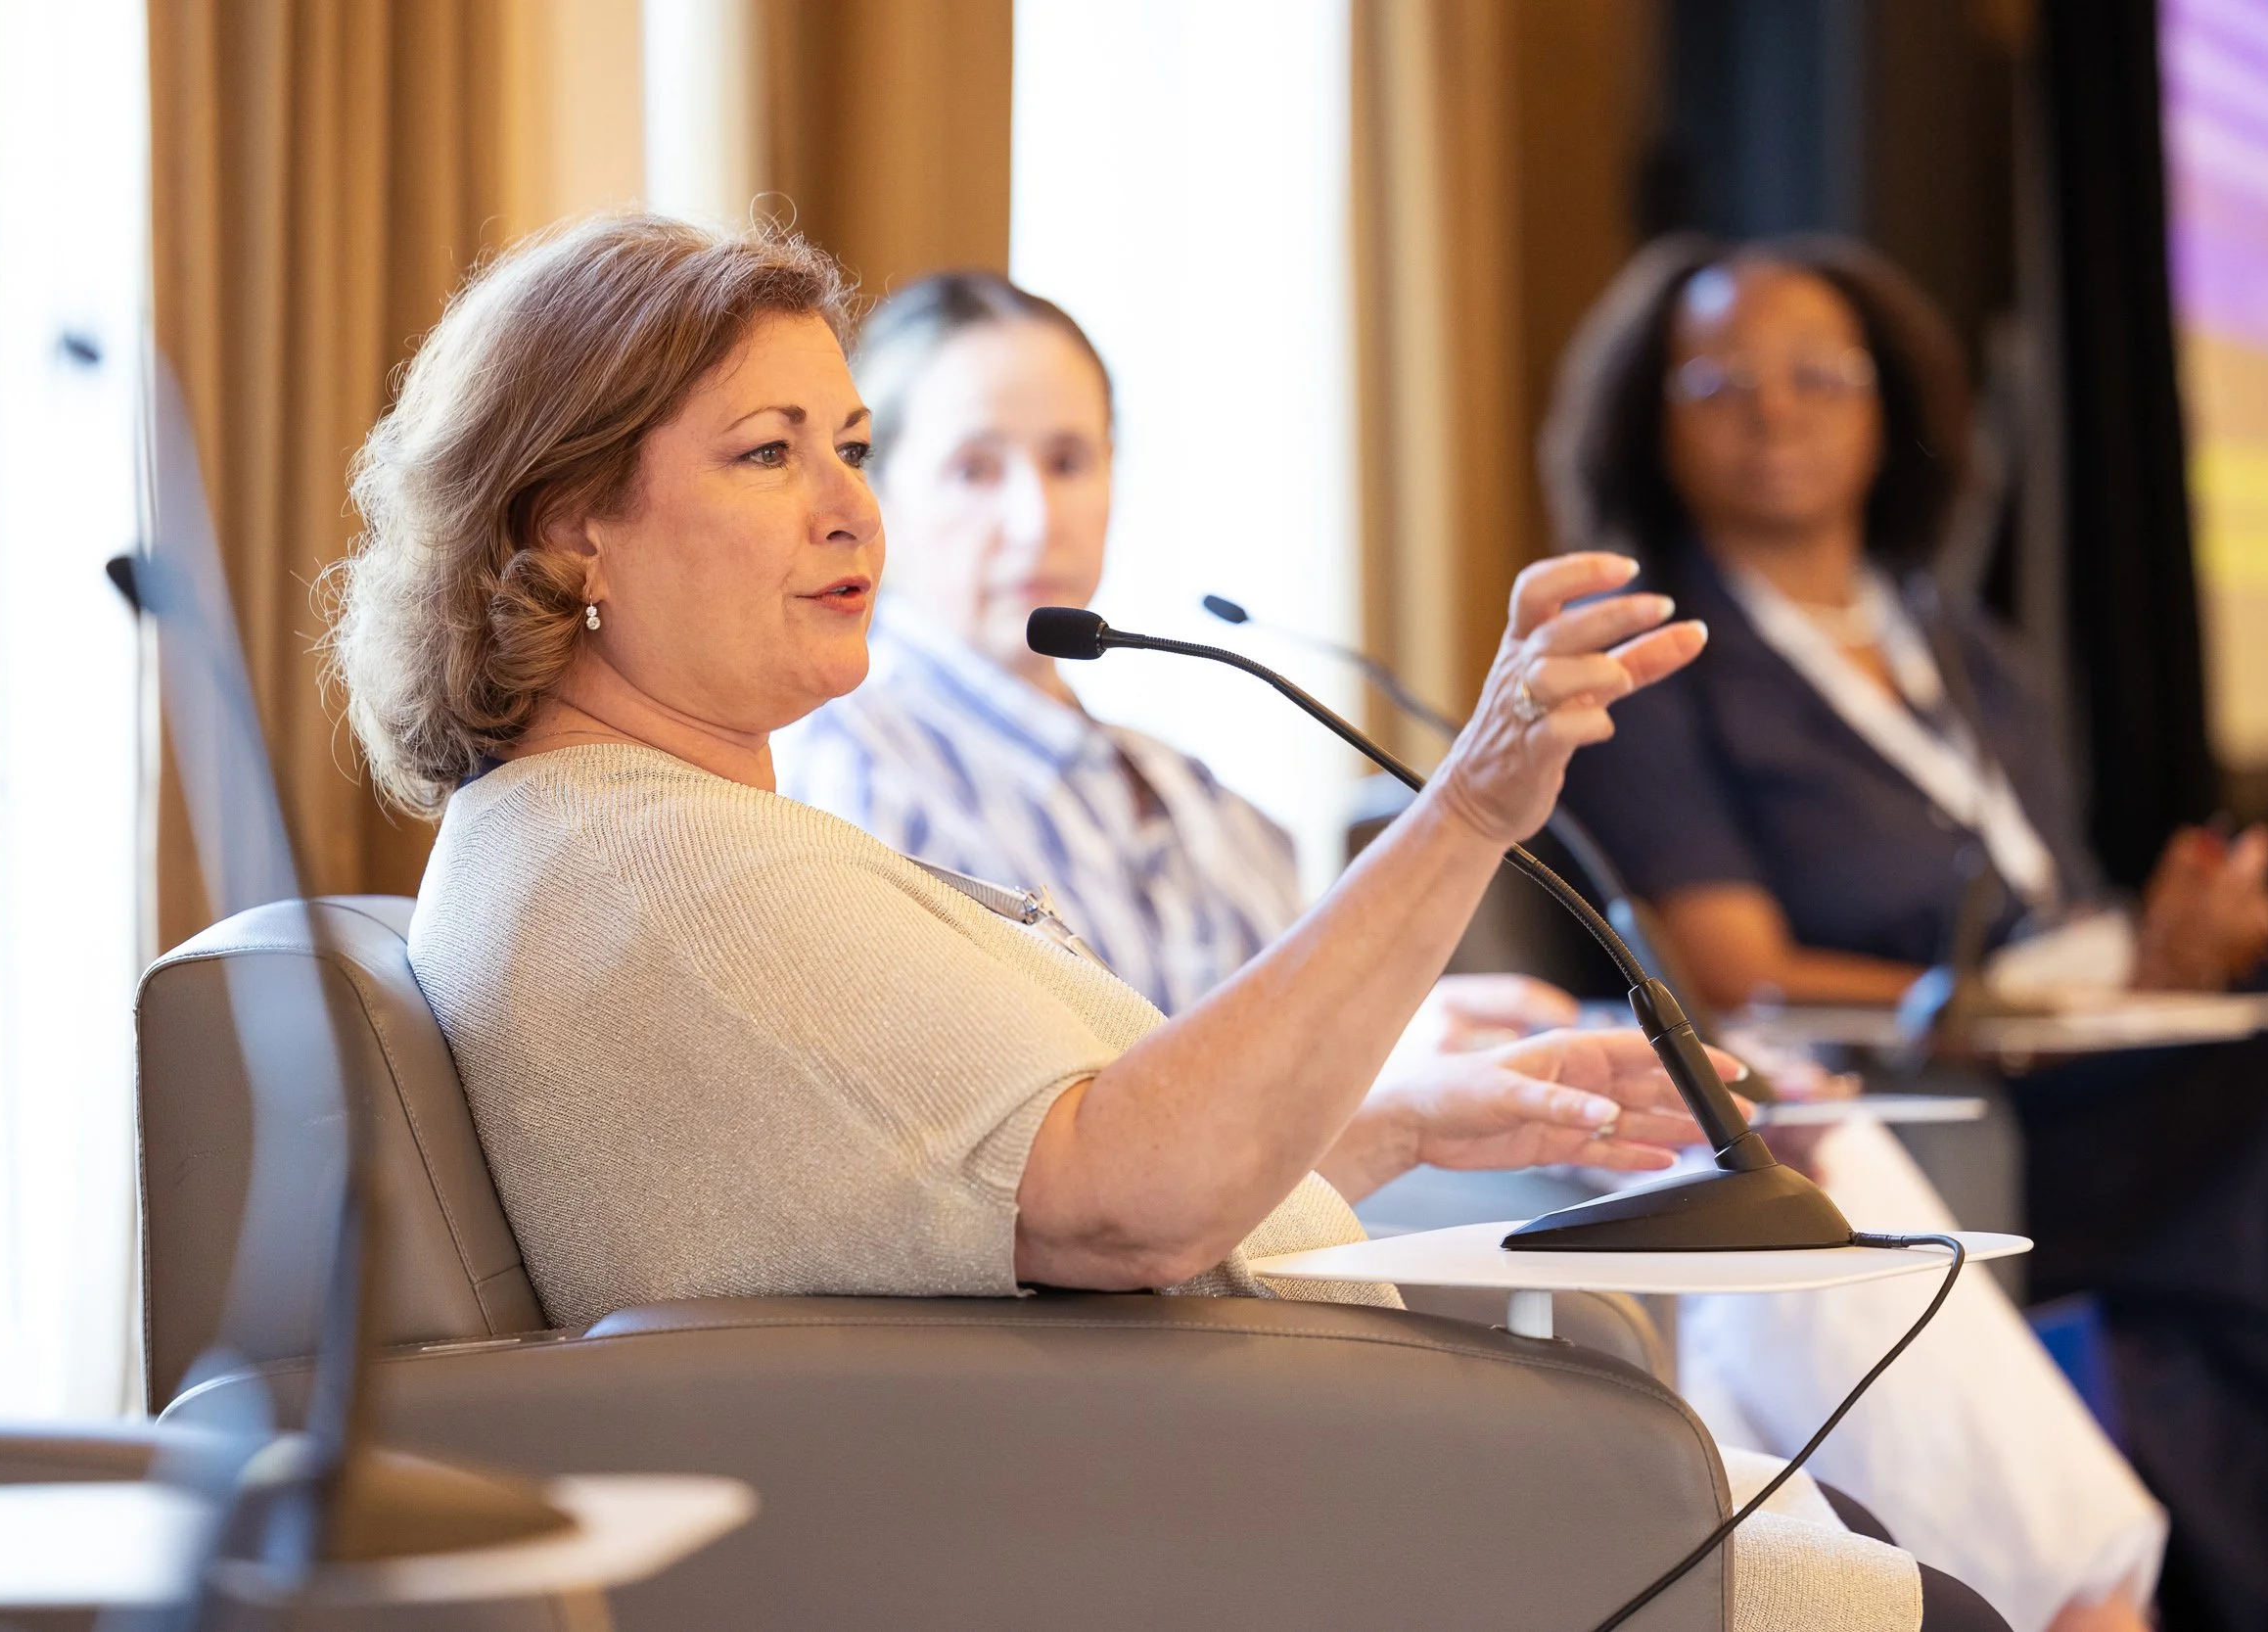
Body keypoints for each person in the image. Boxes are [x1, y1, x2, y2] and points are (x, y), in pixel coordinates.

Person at [324, 211, 2005, 1631]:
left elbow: (982, 1201)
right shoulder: (667, 878)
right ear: (569, 526)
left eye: (848, 446)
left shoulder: (638, 841)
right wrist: (1474, 800)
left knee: (1861, 1525)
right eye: (769, 456)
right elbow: (1121, 1206)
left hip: (1240, 1469)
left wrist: (1401, 1117)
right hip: (1231, 1512)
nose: (856, 511)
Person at [777, 270, 2158, 1632]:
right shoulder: (852, 779)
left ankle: (1995, 1592)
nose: (1035, 512)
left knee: (1741, 1136)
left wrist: (1455, 1026)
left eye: (1070, 458)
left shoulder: (1200, 788)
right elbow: (1067, 1126)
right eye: (971, 466)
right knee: (1721, 1177)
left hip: (1328, 1190)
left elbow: (1310, 1027)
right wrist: (1412, 1049)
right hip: (1166, 1274)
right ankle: (2078, 1603)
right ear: (876, 490)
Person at [1544, 231, 2268, 1632]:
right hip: (1943, 1100)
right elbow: (1735, 968)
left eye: (1820, 374)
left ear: (1891, 410)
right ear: (1653, 419)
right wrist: (2012, 999)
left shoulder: (1964, 646)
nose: (1775, 407)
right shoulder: (1656, 659)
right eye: (1721, 380)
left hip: (2090, 1063)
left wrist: (2162, 950)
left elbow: (2050, 908)